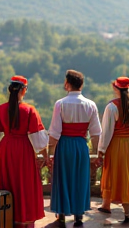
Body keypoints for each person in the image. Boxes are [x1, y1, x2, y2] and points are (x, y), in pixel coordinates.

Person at [0, 75, 49, 227]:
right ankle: (25, 219)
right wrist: (46, 157)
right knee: (24, 184)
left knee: (7, 183)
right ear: (24, 90)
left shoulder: (1, 109)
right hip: (24, 150)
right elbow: (39, 140)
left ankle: (7, 217)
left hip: (6, 149)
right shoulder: (29, 110)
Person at [48, 70, 102, 227]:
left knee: (63, 178)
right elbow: (96, 133)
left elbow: (54, 132)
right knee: (80, 178)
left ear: (67, 84)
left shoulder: (60, 104)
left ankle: (62, 213)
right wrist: (98, 154)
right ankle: (79, 214)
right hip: (80, 145)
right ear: (82, 85)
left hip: (64, 145)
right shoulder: (91, 105)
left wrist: (50, 153)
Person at [97, 76, 129, 223]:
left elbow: (106, 132)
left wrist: (101, 150)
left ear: (116, 88)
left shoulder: (112, 107)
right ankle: (115, 208)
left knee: (112, 173)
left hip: (116, 144)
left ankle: (119, 210)